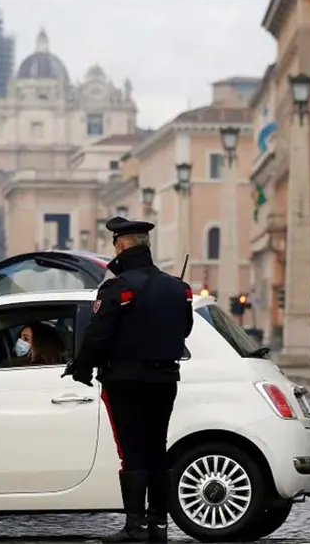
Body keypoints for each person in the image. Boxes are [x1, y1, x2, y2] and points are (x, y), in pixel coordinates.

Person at [64, 217, 193, 544]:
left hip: (124, 380)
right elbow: (186, 329)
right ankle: (159, 525)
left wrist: (81, 368)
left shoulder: (118, 289)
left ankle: (135, 527)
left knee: (132, 452)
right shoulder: (178, 287)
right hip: (165, 378)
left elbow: (98, 335)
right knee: (156, 450)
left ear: (121, 246)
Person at [0, 323, 65, 369]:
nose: (20, 342)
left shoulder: (26, 368)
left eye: (26, 339)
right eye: (20, 337)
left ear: (41, 345)